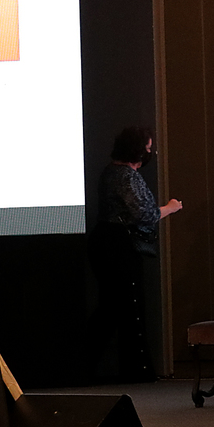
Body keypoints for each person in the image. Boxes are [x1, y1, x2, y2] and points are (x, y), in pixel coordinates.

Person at [89, 126, 183, 382]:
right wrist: (171, 207)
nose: (149, 154)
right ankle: (137, 371)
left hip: (106, 244)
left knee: (112, 308)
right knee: (129, 308)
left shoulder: (110, 172)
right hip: (119, 246)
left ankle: (89, 366)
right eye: (148, 149)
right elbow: (145, 214)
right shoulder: (126, 177)